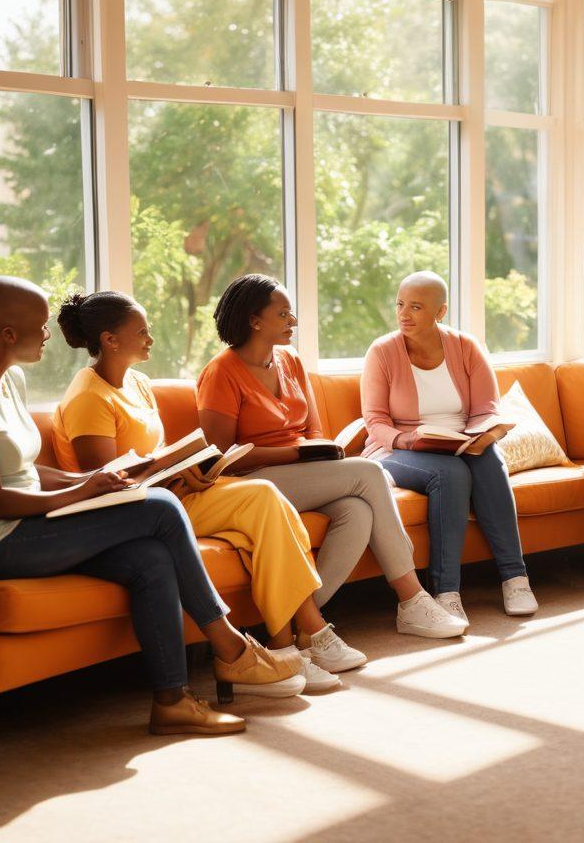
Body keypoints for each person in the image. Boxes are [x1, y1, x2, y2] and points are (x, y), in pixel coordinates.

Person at [0, 277, 305, 737]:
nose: (48, 334)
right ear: (8, 333)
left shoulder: (8, 381)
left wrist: (89, 481)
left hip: (28, 523)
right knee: (161, 508)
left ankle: (172, 702)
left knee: (150, 558)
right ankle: (232, 648)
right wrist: (82, 493)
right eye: (40, 325)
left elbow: (21, 471)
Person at [50, 291, 359, 689]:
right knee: (262, 501)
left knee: (265, 500)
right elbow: (106, 483)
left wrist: (190, 470)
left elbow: (152, 455)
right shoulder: (88, 397)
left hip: (171, 493)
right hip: (136, 511)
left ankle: (287, 647)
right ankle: (300, 642)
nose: (150, 338)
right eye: (141, 332)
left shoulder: (137, 383)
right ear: (110, 340)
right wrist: (169, 473)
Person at [196, 274, 466, 643]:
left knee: (357, 511)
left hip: (302, 473)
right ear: (254, 321)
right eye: (283, 314)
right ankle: (411, 598)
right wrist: (296, 454)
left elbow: (313, 430)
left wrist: (320, 451)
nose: (293, 321)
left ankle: (305, 625)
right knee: (370, 473)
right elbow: (221, 459)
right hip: (252, 482)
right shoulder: (221, 372)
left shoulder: (289, 360)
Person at [359, 271, 538, 626]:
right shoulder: (382, 351)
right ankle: (446, 593)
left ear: (440, 312)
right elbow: (375, 420)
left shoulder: (466, 347)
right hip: (397, 450)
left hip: (460, 443)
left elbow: (487, 409)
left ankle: (515, 578)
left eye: (415, 307)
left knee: (489, 460)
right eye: (400, 304)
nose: (403, 314)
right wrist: (406, 439)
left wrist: (478, 437)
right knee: (451, 473)